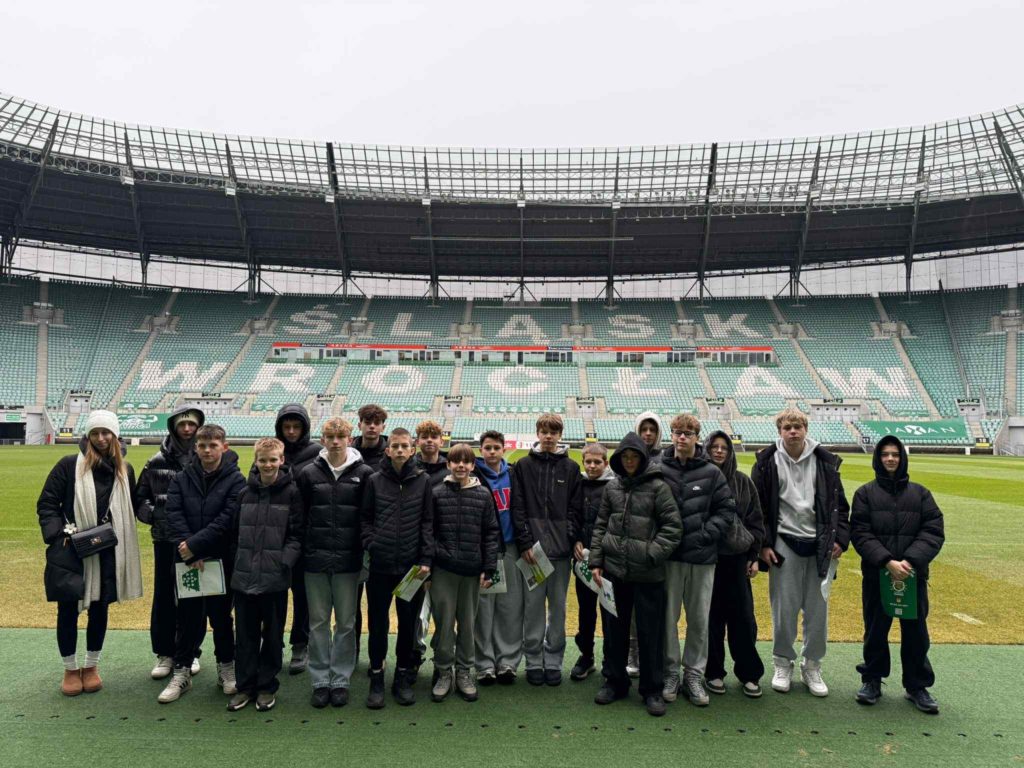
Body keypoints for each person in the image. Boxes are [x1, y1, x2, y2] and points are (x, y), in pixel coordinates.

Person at [37, 410, 143, 696]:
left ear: (115, 435)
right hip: (71, 550)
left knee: (100, 607)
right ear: (88, 435)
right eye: (95, 433)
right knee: (67, 609)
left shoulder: (125, 470)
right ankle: (70, 669)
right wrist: (58, 537)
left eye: (106, 432)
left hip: (107, 549)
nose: (101, 438)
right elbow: (47, 503)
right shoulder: (68, 465)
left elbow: (135, 505)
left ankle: (92, 665)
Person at [751, 409, 850, 698]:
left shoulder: (825, 461)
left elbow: (840, 505)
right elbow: (758, 508)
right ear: (779, 431)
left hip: (819, 544)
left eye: (797, 426)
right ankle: (783, 663)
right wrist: (764, 544)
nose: (793, 431)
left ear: (806, 429)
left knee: (817, 611)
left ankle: (812, 665)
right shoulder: (767, 462)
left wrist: (840, 539)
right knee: (784, 609)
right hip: (784, 543)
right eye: (787, 427)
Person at [589, 432, 682, 717]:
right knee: (613, 631)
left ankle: (652, 689)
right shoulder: (612, 487)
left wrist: (651, 554)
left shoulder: (658, 487)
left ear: (642, 459)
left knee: (650, 633)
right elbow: (601, 525)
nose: (629, 461)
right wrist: (596, 561)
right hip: (615, 572)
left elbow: (673, 527)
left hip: (648, 575)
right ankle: (614, 682)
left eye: (634, 457)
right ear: (619, 460)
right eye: (625, 457)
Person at [851, 436, 944, 714]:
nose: (890, 459)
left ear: (902, 458)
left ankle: (917, 685)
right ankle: (872, 680)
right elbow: (860, 532)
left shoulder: (921, 494)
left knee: (916, 633)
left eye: (895, 454)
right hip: (877, 575)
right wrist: (886, 561)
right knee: (875, 630)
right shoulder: (865, 494)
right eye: (885, 455)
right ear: (877, 458)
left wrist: (910, 561)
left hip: (913, 576)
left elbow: (933, 531)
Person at [158, 423, 247, 704]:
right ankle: (181, 672)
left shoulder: (237, 480)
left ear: (224, 447)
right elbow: (173, 513)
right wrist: (189, 549)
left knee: (221, 618)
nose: (207, 451)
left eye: (213, 445)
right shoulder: (182, 478)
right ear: (196, 448)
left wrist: (196, 545)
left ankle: (226, 668)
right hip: (187, 560)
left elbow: (228, 518)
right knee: (187, 618)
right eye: (202, 445)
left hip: (220, 559)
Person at [658, 414, 735, 707]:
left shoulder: (712, 473)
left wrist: (704, 535)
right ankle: (670, 673)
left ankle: (693, 674)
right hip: (669, 558)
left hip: (702, 559)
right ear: (671, 434)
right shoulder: (658, 468)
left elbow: (726, 511)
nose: (682, 437)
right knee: (668, 619)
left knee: (699, 620)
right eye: (678, 432)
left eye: (688, 433)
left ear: (696, 437)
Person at [297, 417, 374, 709]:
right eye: (330, 437)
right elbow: (299, 516)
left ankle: (340, 679)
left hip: (348, 561)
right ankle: (320, 680)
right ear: (323, 439)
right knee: (317, 622)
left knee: (345, 622)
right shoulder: (308, 473)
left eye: (341, 437)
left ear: (349, 439)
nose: (336, 442)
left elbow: (367, 516)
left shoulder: (364, 473)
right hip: (315, 560)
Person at [227, 438, 303, 712]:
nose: (268, 465)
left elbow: (297, 535)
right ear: (256, 461)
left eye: (273, 460)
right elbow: (234, 533)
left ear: (281, 460)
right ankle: (245, 686)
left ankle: (266, 686)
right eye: (263, 460)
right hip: (244, 577)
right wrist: (238, 562)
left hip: (274, 580)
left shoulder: (292, 493)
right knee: (245, 636)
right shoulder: (244, 494)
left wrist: (283, 562)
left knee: (272, 637)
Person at [361, 427, 434, 708]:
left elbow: (428, 522)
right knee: (378, 623)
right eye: (395, 446)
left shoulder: (423, 481)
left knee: (407, 624)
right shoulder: (374, 480)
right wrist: (372, 544)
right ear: (388, 450)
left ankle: (402, 676)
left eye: (405, 446)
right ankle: (377, 676)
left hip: (411, 567)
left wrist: (425, 559)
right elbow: (365, 519)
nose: (400, 450)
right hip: (380, 566)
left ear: (412, 450)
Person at [511, 413, 583, 687]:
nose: (549, 437)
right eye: (544, 432)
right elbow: (518, 507)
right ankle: (533, 660)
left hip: (561, 553)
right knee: (533, 609)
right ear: (538, 434)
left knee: (558, 609)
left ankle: (553, 660)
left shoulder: (571, 468)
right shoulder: (523, 465)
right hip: (533, 553)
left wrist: (569, 537)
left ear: (560, 435)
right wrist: (525, 542)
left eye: (553, 432)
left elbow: (575, 509)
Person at [135, 406, 205, 681]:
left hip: (195, 541)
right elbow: (140, 499)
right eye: (182, 424)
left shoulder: (206, 458)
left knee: (193, 596)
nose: (187, 429)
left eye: (192, 425)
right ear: (173, 427)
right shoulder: (155, 461)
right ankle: (165, 653)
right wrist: (156, 516)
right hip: (165, 539)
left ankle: (191, 652)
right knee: (164, 596)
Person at [428, 443, 500, 703]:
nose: (461, 466)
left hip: (471, 570)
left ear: (472, 465)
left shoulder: (483, 495)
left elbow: (491, 533)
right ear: (448, 464)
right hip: (444, 570)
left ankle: (464, 672)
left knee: (468, 624)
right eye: (456, 461)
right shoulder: (436, 493)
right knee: (444, 624)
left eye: (466, 461)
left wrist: (488, 567)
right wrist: (434, 561)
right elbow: (429, 531)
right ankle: (443, 671)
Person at [703, 431, 766, 698]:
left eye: (724, 448)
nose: (719, 451)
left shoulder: (742, 482)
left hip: (737, 560)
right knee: (711, 619)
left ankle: (749, 673)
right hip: (708, 560)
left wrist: (753, 555)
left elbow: (756, 520)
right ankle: (713, 672)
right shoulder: (700, 478)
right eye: (714, 447)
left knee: (743, 619)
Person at [273, 403, 323, 676]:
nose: (291, 432)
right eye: (286, 427)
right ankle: (273, 644)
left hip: (305, 536)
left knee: (303, 596)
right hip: (274, 537)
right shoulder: (271, 451)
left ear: (304, 428)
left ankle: (300, 644)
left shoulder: (317, 453)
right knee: (275, 595)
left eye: (296, 427)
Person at [473, 430, 525, 686]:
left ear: (504, 449)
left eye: (496, 447)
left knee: (510, 607)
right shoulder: (473, 475)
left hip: (510, 547)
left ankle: (507, 661)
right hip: (485, 549)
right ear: (481, 450)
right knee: (483, 608)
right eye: (487, 448)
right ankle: (484, 663)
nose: (492, 452)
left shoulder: (513, 474)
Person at [570, 442, 614, 681]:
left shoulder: (614, 485)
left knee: (609, 613)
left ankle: (610, 660)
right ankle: (586, 656)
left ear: (605, 463)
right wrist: (575, 538)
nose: (593, 466)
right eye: (588, 462)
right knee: (586, 611)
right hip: (583, 561)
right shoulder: (578, 484)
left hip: (608, 561)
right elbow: (572, 515)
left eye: (597, 462)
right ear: (583, 462)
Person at [411, 418, 450, 671]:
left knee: (443, 611)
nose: (429, 441)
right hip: (414, 549)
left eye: (433, 437)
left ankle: (442, 663)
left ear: (441, 440)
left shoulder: (451, 469)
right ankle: (413, 659)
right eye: (424, 436)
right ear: (417, 441)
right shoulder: (408, 468)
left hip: (444, 550)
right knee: (414, 611)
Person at [352, 404, 389, 470]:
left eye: (377, 423)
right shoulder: (348, 452)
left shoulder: (390, 454)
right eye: (367, 423)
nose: (372, 426)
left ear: (383, 428)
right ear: (359, 426)